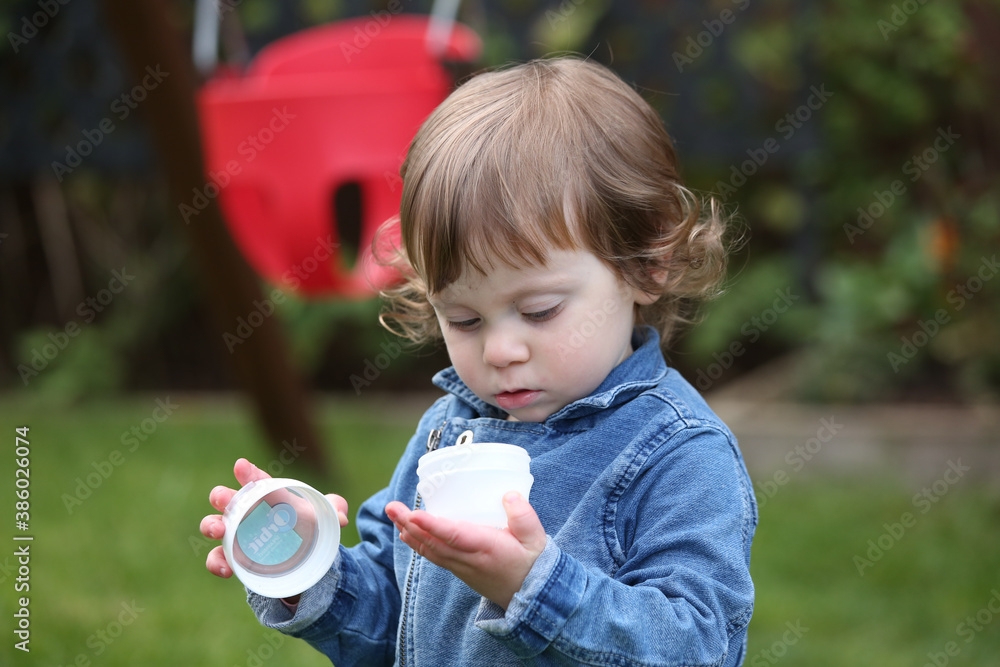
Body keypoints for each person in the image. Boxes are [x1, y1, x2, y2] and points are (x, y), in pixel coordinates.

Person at [200, 56, 757, 666]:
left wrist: (533, 587)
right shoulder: (446, 434)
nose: (499, 351)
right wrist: (307, 569)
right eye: (463, 319)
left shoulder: (680, 455)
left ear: (646, 261)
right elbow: (394, 622)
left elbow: (695, 646)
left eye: (540, 310)